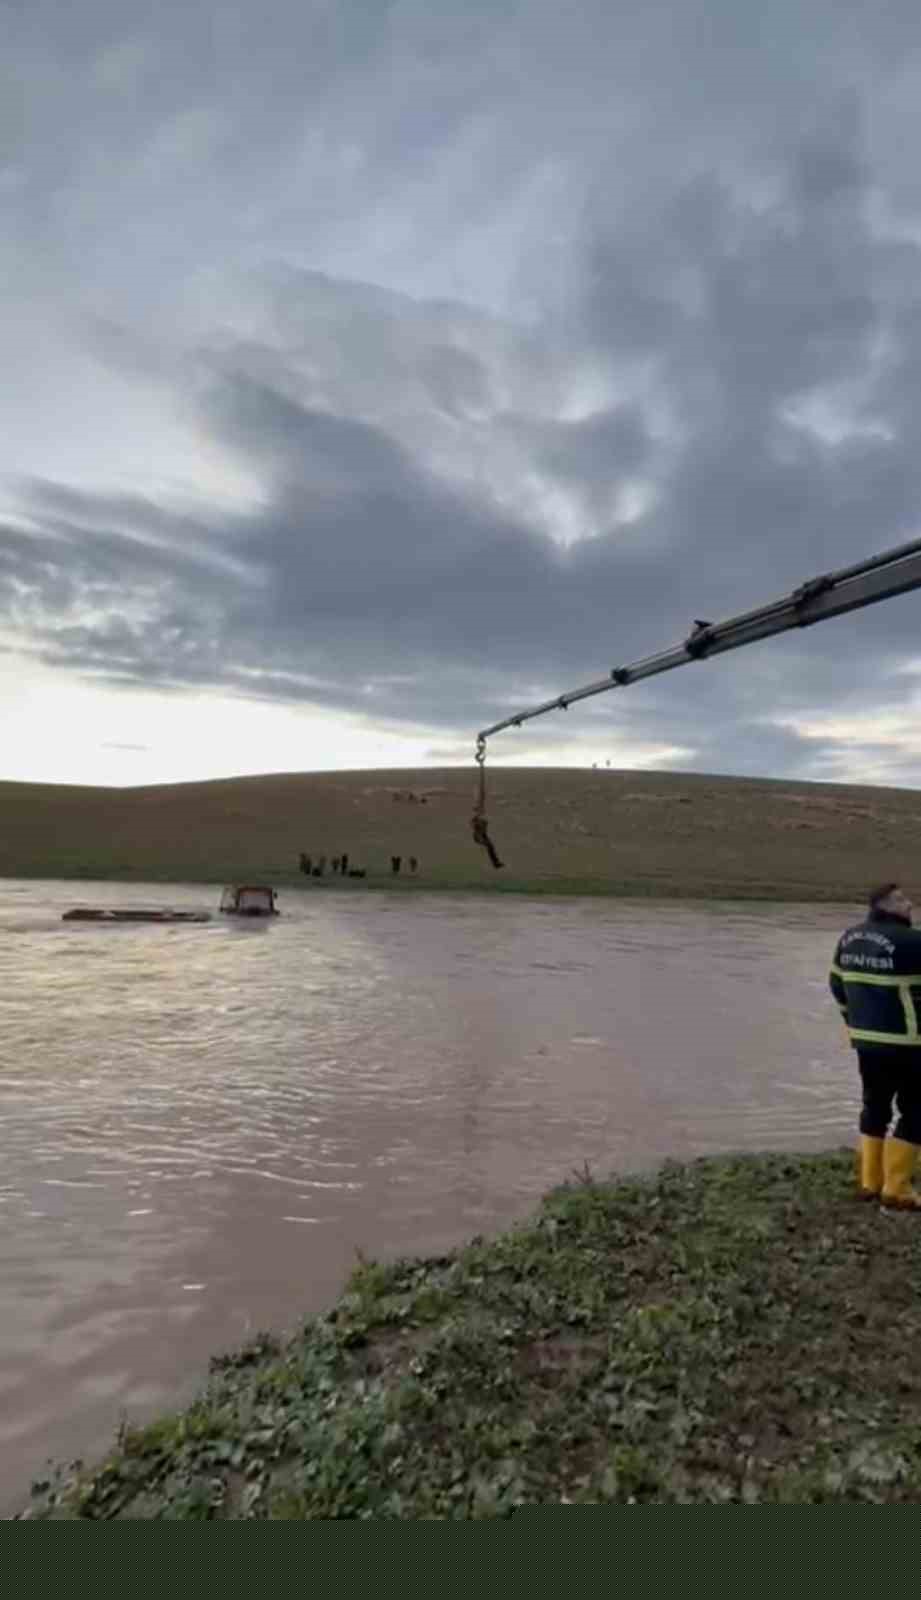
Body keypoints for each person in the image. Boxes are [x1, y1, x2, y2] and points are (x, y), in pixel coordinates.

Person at [830, 882, 921, 1209]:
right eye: (902, 900)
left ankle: (870, 1182)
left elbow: (836, 983)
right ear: (885, 906)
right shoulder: (912, 941)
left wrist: (853, 1023)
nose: (909, 904)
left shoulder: (849, 938)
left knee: (875, 1107)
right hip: (909, 1043)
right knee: (915, 1110)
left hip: (866, 1043)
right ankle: (896, 1187)